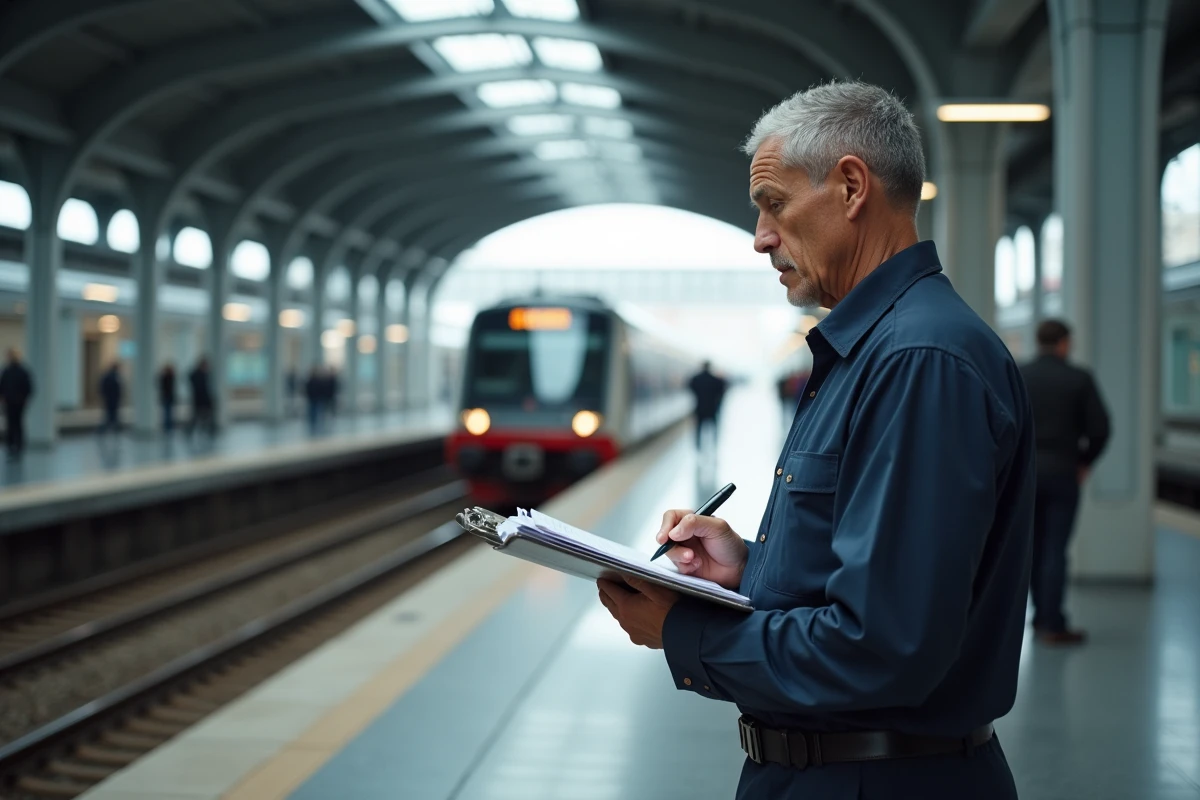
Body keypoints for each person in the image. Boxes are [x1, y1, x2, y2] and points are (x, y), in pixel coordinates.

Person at [596, 81, 1035, 800]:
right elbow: (870, 569)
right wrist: (749, 567)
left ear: (851, 186)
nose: (761, 236)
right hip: (841, 772)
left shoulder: (917, 360)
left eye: (774, 204)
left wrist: (684, 633)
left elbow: (884, 647)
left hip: (879, 780)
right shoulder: (869, 351)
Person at [1019, 318, 1110, 645]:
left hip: (1026, 475)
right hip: (1063, 474)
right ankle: (1051, 621)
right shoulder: (1078, 378)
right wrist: (1085, 461)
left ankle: (1035, 614)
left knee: (1032, 547)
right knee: (1055, 548)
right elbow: (1100, 428)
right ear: (1063, 343)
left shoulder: (1021, 375)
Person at [0, 348, 33, 460]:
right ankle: (12, 446)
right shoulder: (8, 371)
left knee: (16, 424)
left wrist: (24, 399)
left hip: (17, 403)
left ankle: (17, 446)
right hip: (11, 402)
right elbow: (2, 386)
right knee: (12, 425)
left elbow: (28, 388)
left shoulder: (20, 371)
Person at [688, 361, 728, 450]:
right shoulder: (716, 380)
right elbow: (722, 391)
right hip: (712, 408)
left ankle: (698, 446)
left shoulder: (696, 379)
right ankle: (714, 444)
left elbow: (690, 388)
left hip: (700, 408)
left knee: (698, 429)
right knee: (714, 428)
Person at [187, 357, 215, 439]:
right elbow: (202, 389)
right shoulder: (200, 375)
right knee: (197, 417)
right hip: (200, 400)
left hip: (201, 400)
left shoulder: (202, 374)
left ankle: (208, 430)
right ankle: (191, 430)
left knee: (203, 417)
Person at [98, 362, 122, 435]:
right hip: (111, 400)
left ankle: (115, 430)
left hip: (113, 400)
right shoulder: (111, 377)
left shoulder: (112, 376)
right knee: (110, 416)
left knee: (112, 416)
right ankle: (102, 430)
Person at [159, 363, 177, 434]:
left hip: (168, 397)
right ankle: (167, 426)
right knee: (167, 413)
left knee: (169, 412)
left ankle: (169, 426)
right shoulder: (166, 378)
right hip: (167, 397)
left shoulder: (170, 377)